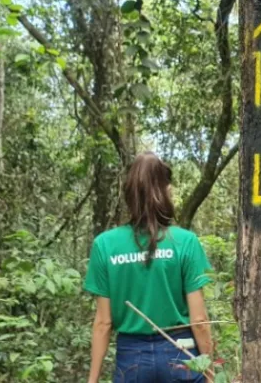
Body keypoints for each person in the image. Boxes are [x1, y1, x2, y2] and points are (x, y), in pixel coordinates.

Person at [84, 152, 215, 383]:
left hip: (131, 359)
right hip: (181, 353)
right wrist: (210, 372)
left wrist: (92, 380)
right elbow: (199, 320)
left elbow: (103, 323)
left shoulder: (105, 245)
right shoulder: (185, 242)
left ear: (130, 194)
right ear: (164, 191)